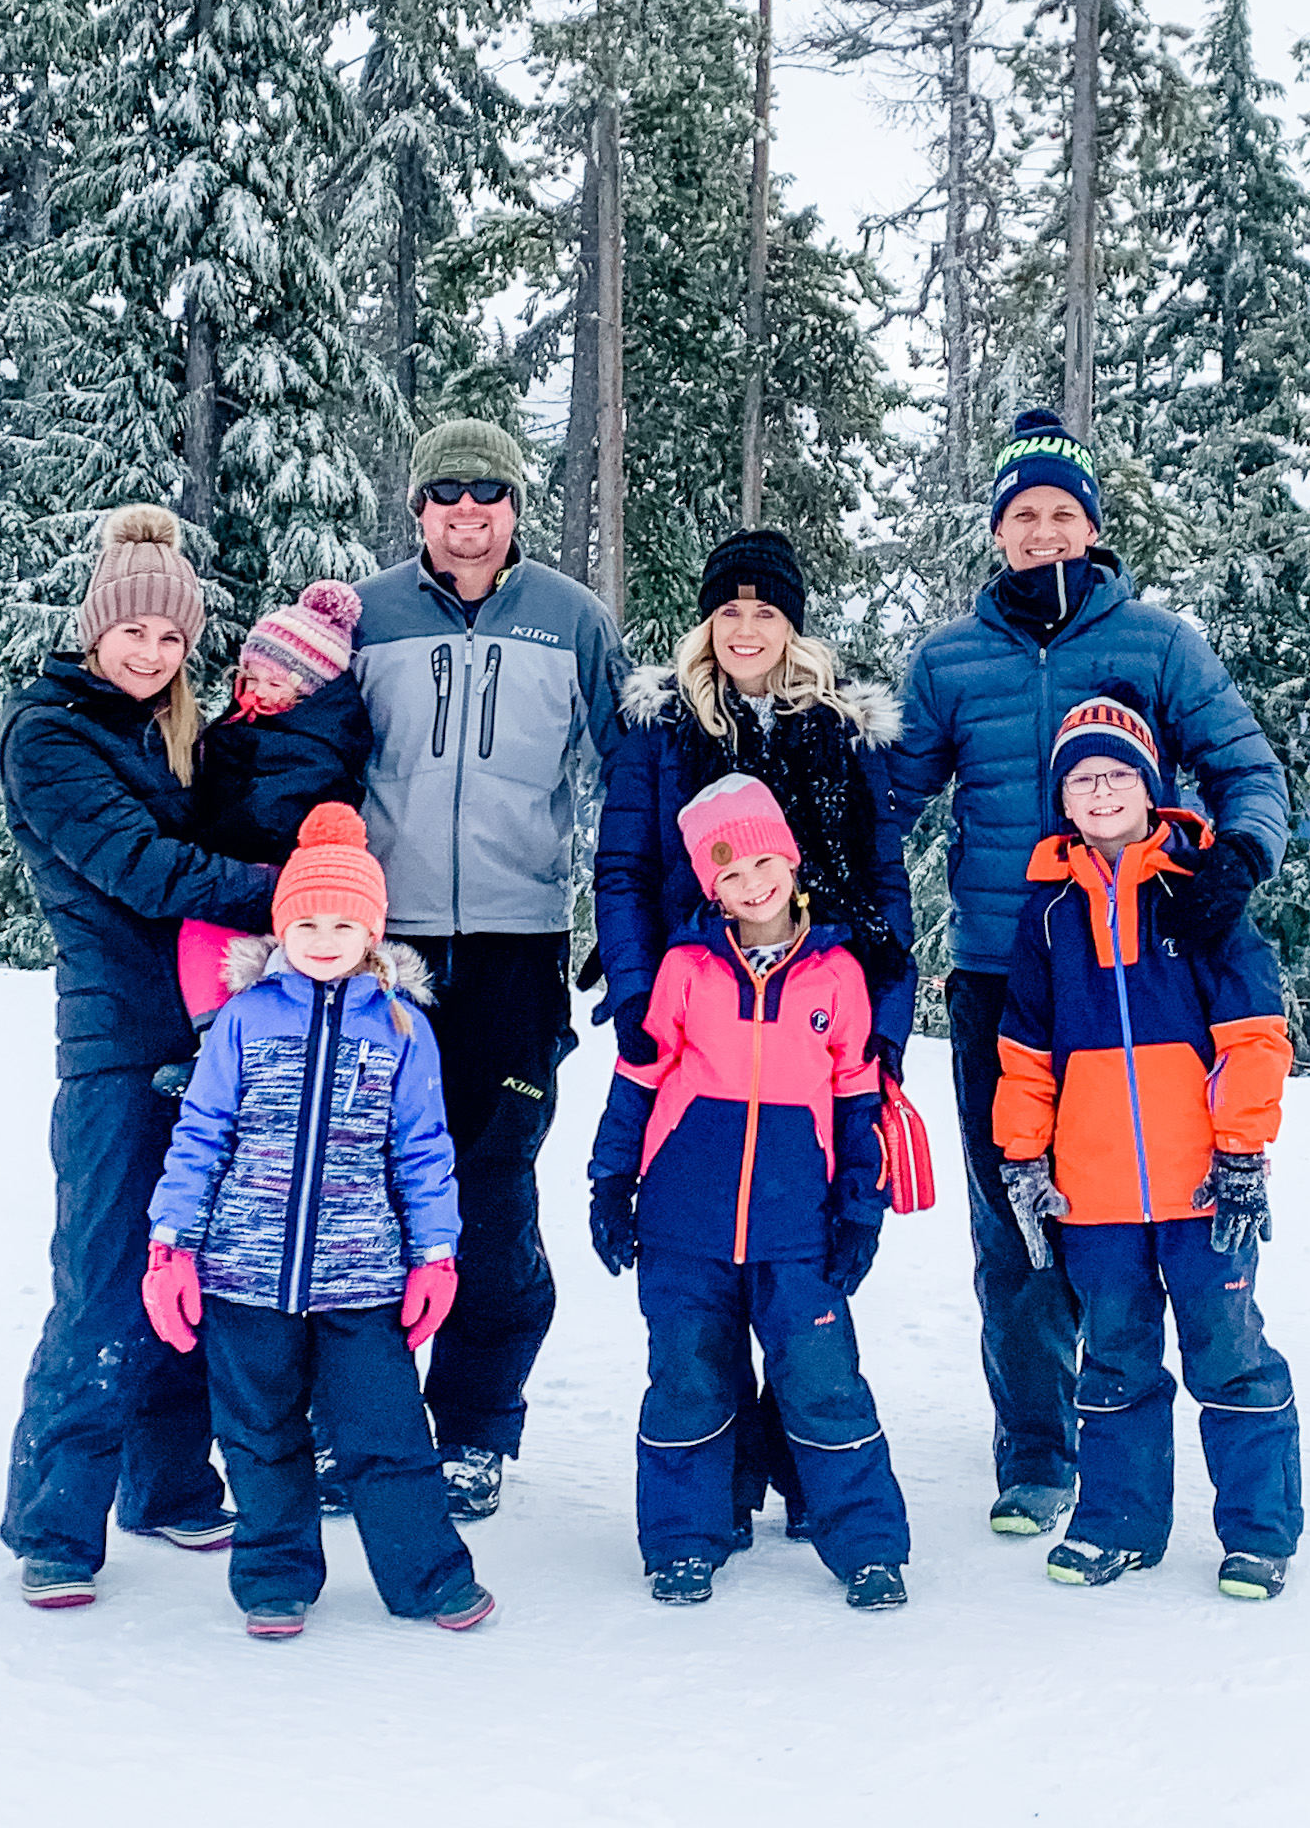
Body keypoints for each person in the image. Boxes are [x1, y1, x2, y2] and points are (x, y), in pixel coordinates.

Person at [888, 410, 1292, 1538]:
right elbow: (890, 801)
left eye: (1062, 512)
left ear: (1094, 527)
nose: (1043, 531)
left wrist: (1237, 857)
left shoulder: (1157, 645)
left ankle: (1198, 1395)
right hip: (1000, 973)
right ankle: (1035, 1448)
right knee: (1015, 1210)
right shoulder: (948, 659)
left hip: (1149, 961)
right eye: (1022, 516)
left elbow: (1242, 763)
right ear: (997, 534)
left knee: (1168, 1195)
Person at [594, 527, 917, 1539]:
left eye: (765, 610)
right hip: (695, 1010)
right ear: (705, 619)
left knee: (796, 1262)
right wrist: (648, 993)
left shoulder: (838, 729)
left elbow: (880, 880)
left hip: (816, 1010)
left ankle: (814, 1477)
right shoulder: (659, 725)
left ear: (792, 624)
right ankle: (721, 1483)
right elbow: (624, 868)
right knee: (703, 1272)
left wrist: (884, 1024)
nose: (744, 627)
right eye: (727, 608)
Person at [0, 506, 280, 1610]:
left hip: (204, 1041)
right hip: (116, 1044)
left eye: (171, 638)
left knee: (189, 1274)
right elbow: (145, 868)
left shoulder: (173, 731)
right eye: (134, 633)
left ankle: (164, 1481)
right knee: (106, 1281)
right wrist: (287, 892)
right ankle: (54, 1519)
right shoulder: (52, 732)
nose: (152, 653)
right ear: (96, 628)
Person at [351, 416, 627, 1517]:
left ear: (515, 507)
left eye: (489, 493)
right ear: (418, 508)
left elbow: (631, 772)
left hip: (518, 947)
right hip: (379, 953)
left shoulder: (571, 619)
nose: (467, 512)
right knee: (366, 1187)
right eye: (446, 493)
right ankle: (365, 1417)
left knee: (492, 1186)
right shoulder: (364, 617)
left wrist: (626, 914)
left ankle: (471, 1423)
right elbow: (309, 765)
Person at [143, 804, 494, 1642]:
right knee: (258, 1435)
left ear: (372, 931)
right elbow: (201, 1135)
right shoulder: (243, 1018)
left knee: (387, 1436)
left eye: (344, 921)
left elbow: (423, 1147)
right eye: (306, 920)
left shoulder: (403, 1027)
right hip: (243, 1273)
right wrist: (171, 1245)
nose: (325, 936)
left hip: (362, 1275)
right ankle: (275, 1577)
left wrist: (435, 1255)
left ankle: (428, 1576)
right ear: (282, 927)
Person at [993, 699, 1300, 1598]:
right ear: (1063, 797)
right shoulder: (1047, 915)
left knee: (1229, 1356)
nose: (1099, 790)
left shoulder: (1197, 890)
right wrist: (1023, 1158)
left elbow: (1254, 1036)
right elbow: (1025, 1055)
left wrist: (1243, 1151)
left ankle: (1259, 1530)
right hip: (1094, 1198)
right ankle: (1119, 1524)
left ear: (1149, 786)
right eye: (1082, 778)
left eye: (1117, 774)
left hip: (1203, 1186)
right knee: (1116, 1361)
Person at [588, 776, 909, 1611]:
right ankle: (686, 1539)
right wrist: (611, 1180)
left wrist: (858, 1206)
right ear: (709, 884)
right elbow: (638, 1078)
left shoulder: (837, 976)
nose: (752, 882)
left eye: (764, 861)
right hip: (684, 1224)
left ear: (791, 862)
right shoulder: (685, 969)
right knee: (689, 1379)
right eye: (729, 871)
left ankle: (867, 1544)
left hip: (798, 1227)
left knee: (824, 1380)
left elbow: (856, 1098)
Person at [177, 578, 371, 1021]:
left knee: (214, 937)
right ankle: (214, 1032)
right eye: (251, 678)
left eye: (275, 683)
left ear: (309, 690)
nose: (259, 691)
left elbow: (270, 810)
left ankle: (225, 1030)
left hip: (278, 877)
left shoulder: (317, 742)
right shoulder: (243, 725)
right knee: (200, 934)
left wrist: (210, 837)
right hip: (238, 874)